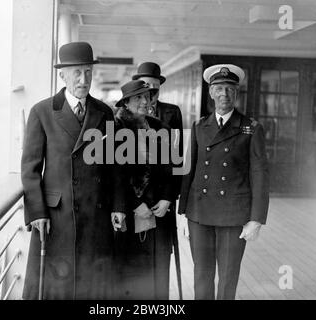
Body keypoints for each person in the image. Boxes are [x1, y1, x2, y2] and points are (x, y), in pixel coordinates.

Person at [21, 41, 125, 299]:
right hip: (57, 219)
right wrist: (36, 211)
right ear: (62, 75)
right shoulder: (42, 112)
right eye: (77, 72)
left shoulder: (104, 113)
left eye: (88, 72)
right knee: (56, 288)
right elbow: (30, 168)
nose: (83, 79)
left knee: (91, 289)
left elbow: (115, 167)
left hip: (96, 216)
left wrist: (119, 206)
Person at [178, 64, 269, 300]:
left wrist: (256, 219)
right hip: (200, 213)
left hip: (233, 214)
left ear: (237, 93)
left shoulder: (250, 128)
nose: (224, 95)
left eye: (230, 89)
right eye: (219, 88)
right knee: (201, 275)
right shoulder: (199, 126)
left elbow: (259, 174)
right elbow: (190, 171)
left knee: (228, 277)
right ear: (210, 92)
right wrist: (184, 214)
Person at [113, 80, 174, 300]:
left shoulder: (160, 128)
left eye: (146, 96)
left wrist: (167, 198)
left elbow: (170, 168)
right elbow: (115, 174)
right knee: (132, 272)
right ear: (126, 102)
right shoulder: (115, 128)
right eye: (137, 97)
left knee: (158, 272)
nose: (143, 101)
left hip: (159, 211)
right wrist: (134, 203)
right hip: (132, 212)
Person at [132, 62, 184, 296]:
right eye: (145, 88)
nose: (149, 94)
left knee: (162, 257)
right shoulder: (127, 116)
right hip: (138, 202)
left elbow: (178, 159)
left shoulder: (172, 113)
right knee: (137, 260)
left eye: (154, 88)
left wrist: (169, 198)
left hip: (162, 201)